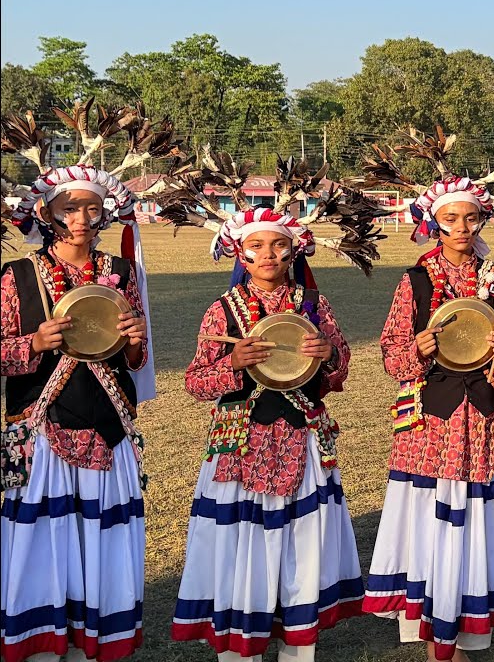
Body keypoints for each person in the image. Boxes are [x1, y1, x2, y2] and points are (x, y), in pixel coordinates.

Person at [166, 157, 380, 662]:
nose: (268, 254)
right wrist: (236, 364)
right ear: (240, 250)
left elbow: (339, 368)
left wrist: (329, 357)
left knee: (300, 542)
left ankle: (295, 646)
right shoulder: (223, 308)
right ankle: (240, 646)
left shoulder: (312, 304)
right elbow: (197, 381)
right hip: (242, 441)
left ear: (292, 249)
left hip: (303, 437)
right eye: (257, 246)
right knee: (243, 543)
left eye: (278, 245)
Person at [362, 135, 494, 662]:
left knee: (480, 516)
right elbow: (393, 355)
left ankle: (470, 623)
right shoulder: (416, 280)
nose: (462, 228)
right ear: (434, 222)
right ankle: (432, 629)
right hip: (432, 418)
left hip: (486, 412)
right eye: (452, 220)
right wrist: (418, 348)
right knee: (432, 516)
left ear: (481, 221)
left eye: (471, 219)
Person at [2, 107, 160, 662]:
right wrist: (35, 345)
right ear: (46, 213)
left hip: (108, 425)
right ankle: (45, 643)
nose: (82, 217)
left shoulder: (121, 273)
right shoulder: (17, 276)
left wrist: (134, 338)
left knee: (101, 537)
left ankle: (96, 638)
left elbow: (135, 357)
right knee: (46, 539)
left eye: (93, 207)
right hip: (41, 427)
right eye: (70, 207)